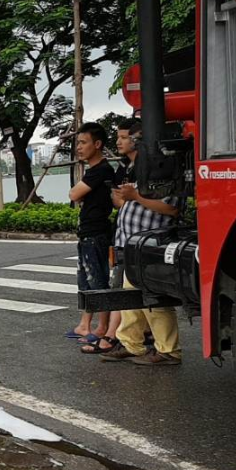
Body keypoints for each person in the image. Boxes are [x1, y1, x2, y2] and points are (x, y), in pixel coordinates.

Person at [99, 127, 185, 366]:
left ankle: (169, 351)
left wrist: (135, 197)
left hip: (151, 245)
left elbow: (172, 208)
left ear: (140, 142)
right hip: (133, 247)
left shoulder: (162, 170)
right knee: (131, 300)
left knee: (154, 300)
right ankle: (131, 344)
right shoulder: (135, 169)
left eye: (124, 137)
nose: (118, 141)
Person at [82, 119, 140, 355]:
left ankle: (111, 334)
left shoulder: (143, 167)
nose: (119, 141)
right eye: (118, 137)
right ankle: (123, 336)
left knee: (118, 287)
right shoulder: (124, 166)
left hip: (138, 235)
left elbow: (122, 199)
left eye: (124, 137)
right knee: (121, 286)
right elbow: (117, 200)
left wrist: (128, 197)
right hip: (124, 234)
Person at [68, 122, 116, 343]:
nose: (79, 147)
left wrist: (78, 193)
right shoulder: (95, 171)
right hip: (88, 233)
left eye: (83, 142)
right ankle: (84, 325)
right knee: (86, 281)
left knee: (98, 282)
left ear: (97, 144)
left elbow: (74, 193)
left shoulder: (102, 170)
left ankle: (101, 327)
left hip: (96, 233)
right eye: (78, 143)